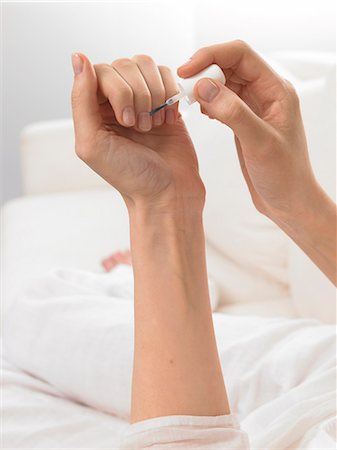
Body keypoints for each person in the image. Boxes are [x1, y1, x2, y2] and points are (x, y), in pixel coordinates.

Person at [71, 40, 336, 449]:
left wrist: (163, 206)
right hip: (321, 362)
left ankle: (127, 283)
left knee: (45, 306)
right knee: (42, 309)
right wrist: (298, 200)